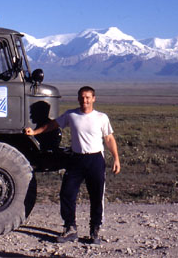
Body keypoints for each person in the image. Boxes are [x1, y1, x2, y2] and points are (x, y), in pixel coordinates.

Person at [25, 86, 120, 244]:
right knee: (67, 194)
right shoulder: (71, 114)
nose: (85, 100)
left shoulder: (102, 117)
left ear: (93, 98)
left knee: (97, 196)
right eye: (82, 97)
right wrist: (35, 132)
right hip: (76, 159)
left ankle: (95, 230)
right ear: (78, 98)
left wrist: (116, 158)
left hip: (96, 160)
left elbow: (109, 139)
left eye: (88, 97)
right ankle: (70, 228)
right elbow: (53, 125)